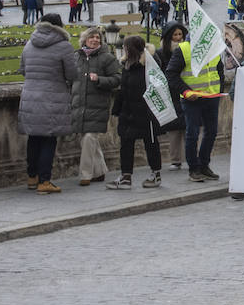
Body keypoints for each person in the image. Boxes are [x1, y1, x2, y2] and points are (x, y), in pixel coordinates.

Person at [19, 13, 77, 193]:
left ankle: (32, 177)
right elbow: (72, 74)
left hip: (29, 97)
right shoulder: (64, 46)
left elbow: (22, 70)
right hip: (53, 98)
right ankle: (45, 181)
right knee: (49, 139)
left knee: (34, 138)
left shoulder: (29, 44)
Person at [166, 22, 223, 184]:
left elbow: (218, 70)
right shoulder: (183, 49)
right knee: (192, 133)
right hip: (192, 99)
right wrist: (186, 91)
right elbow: (171, 74)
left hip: (211, 97)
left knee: (211, 132)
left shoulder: (214, 49)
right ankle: (194, 169)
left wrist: (218, 90)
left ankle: (204, 165)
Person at [106, 35, 163, 189]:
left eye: (125, 47)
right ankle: (125, 176)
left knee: (150, 143)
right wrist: (117, 109)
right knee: (126, 144)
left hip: (146, 112)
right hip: (128, 111)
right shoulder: (126, 65)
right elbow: (123, 89)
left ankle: (156, 173)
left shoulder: (150, 65)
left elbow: (158, 87)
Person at [71, 25, 122, 186]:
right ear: (84, 40)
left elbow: (117, 79)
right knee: (87, 139)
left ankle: (85, 174)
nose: (95, 40)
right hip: (79, 106)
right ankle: (99, 172)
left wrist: (100, 80)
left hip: (97, 105)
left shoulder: (107, 58)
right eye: (91, 37)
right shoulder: (76, 57)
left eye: (97, 37)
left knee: (89, 137)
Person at [155, 22, 188, 169]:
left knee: (190, 128)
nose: (178, 37)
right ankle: (175, 159)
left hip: (186, 90)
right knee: (174, 130)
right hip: (171, 94)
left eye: (180, 34)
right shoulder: (161, 53)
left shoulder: (187, 50)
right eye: (175, 35)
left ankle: (192, 157)